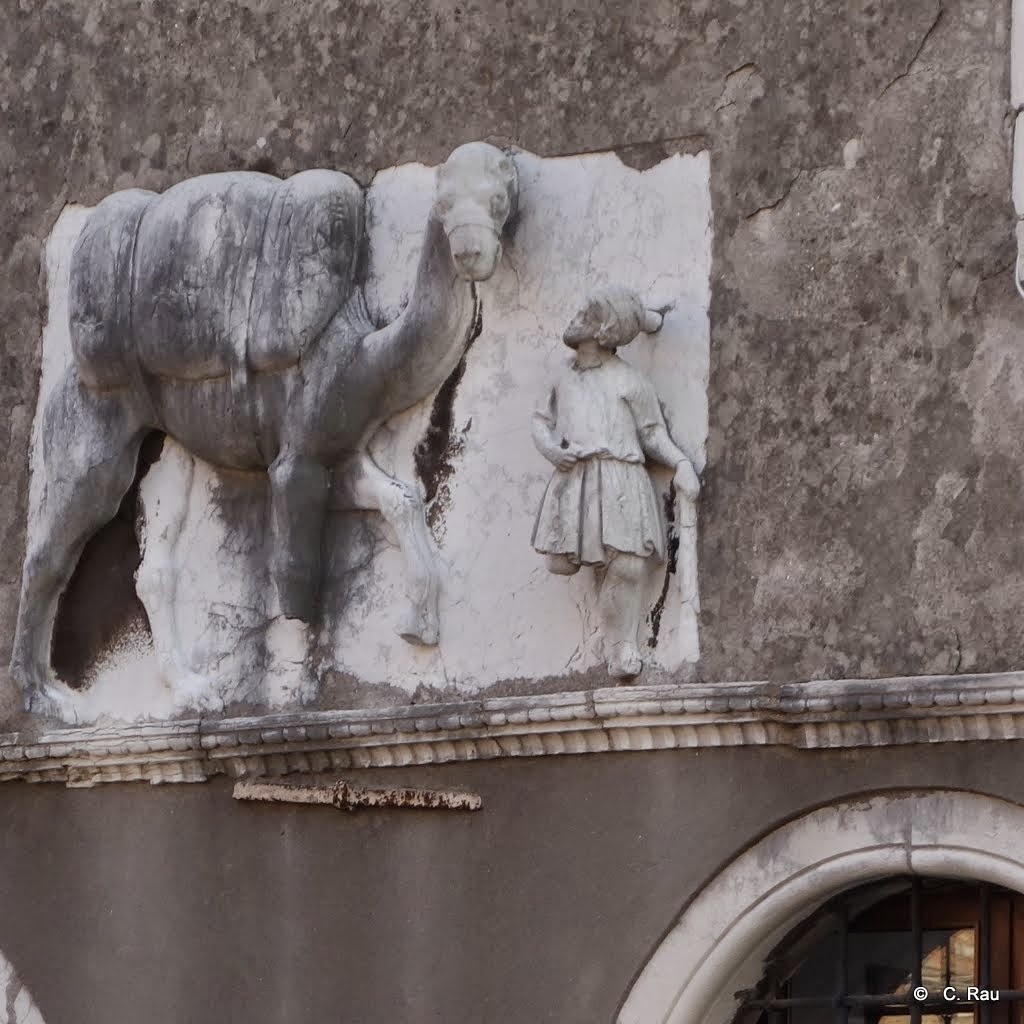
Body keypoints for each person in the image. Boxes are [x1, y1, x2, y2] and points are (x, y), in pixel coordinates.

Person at [531, 285, 700, 679]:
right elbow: (540, 421)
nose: (576, 318)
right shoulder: (561, 376)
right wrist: (552, 450)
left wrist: (680, 463)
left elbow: (652, 432)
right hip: (579, 477)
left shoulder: (630, 381)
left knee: (627, 564)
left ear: (606, 329)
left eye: (588, 314)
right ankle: (615, 639)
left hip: (622, 476)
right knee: (593, 561)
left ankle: (620, 643)